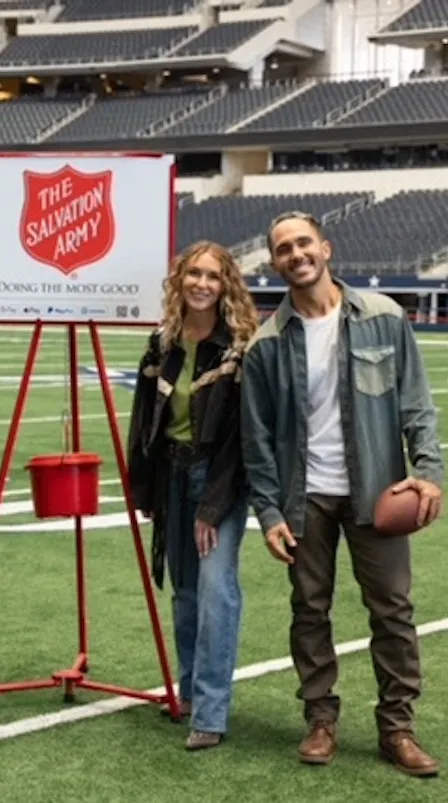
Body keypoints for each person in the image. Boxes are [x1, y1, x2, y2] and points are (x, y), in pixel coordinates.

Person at [240, 211, 445, 776]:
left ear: (325, 248)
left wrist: (428, 469)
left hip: (377, 489)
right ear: (275, 262)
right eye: (283, 248)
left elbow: (417, 403)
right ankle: (320, 719)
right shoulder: (266, 345)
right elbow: (255, 442)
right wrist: (268, 511)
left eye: (303, 242)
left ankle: (398, 728)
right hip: (303, 497)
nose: (295, 254)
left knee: (393, 611)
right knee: (309, 610)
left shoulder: (383, 317)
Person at [126, 240, 260, 751]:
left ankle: (210, 711)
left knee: (215, 589)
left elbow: (241, 438)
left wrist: (213, 506)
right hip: (172, 476)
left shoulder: (239, 346)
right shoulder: (163, 343)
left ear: (226, 285)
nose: (202, 284)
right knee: (183, 594)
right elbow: (144, 419)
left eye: (213, 275)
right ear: (179, 280)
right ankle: (187, 692)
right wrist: (144, 487)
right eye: (193, 274)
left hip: (217, 478)